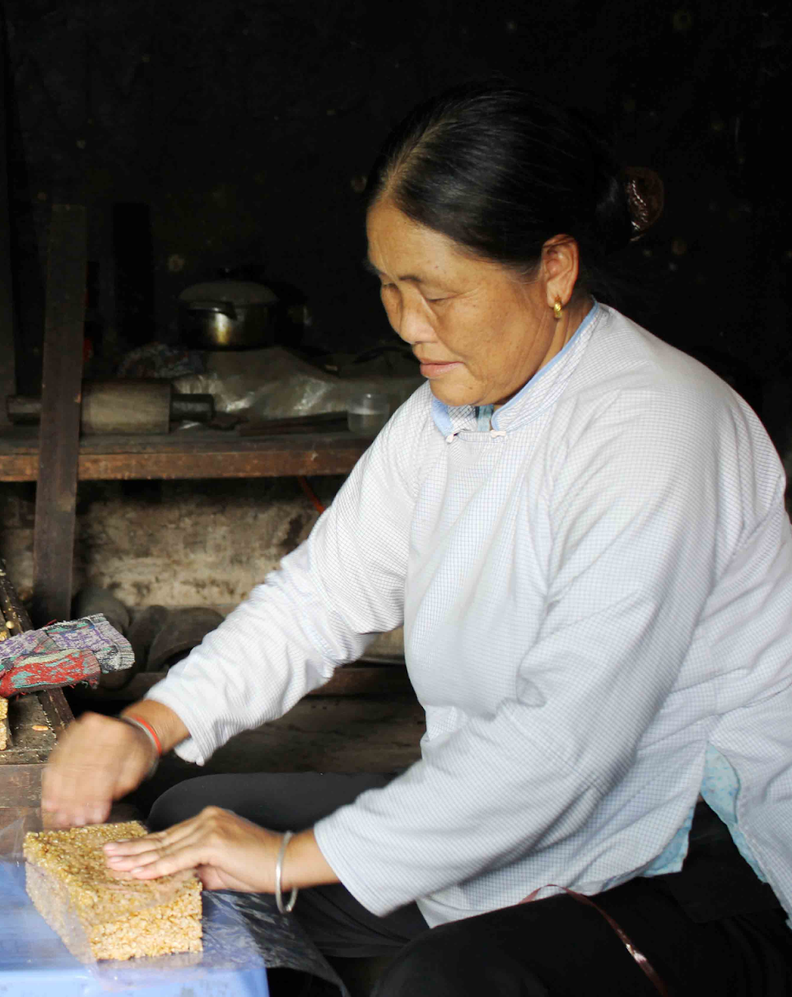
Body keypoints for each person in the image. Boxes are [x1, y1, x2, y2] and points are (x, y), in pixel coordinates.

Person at [40, 81, 792, 996]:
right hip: (510, 827)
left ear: (554, 270)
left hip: (684, 862)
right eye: (390, 287)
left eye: (436, 293)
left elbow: (563, 745)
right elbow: (321, 597)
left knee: (446, 980)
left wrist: (290, 857)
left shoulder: (659, 428)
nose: (407, 326)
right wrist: (147, 727)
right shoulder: (449, 414)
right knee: (189, 827)